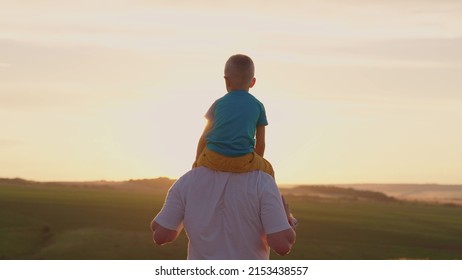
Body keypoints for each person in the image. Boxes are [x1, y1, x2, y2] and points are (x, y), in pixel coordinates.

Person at [193, 54, 297, 227]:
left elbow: (204, 136)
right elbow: (261, 143)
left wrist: (197, 163)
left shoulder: (218, 104)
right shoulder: (258, 105)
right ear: (253, 82)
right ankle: (283, 214)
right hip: (242, 161)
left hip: (212, 158)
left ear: (226, 81)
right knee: (269, 170)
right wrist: (256, 167)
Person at [151, 167, 296, 259]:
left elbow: (161, 236)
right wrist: (286, 220)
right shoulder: (263, 181)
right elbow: (282, 245)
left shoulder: (187, 180)